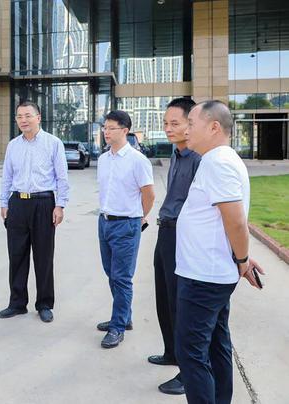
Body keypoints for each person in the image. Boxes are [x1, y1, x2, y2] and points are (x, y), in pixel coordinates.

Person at [175, 100, 264, 404]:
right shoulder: (218, 160)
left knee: (190, 353)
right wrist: (241, 256)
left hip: (204, 277)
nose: (186, 130)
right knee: (215, 345)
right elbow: (227, 221)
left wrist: (241, 259)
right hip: (209, 272)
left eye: (191, 124)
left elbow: (236, 220)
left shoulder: (218, 162)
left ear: (213, 127)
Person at [0, 101, 70, 323]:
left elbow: (62, 177)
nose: (23, 120)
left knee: (43, 255)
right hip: (18, 202)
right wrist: (4, 203)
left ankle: (45, 304)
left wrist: (60, 205)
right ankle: (17, 303)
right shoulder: (13, 145)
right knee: (16, 255)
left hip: (44, 203)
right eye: (19, 116)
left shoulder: (53, 143)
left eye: (28, 115)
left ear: (38, 117)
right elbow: (7, 176)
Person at [147, 98, 199, 395]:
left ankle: (186, 371)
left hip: (183, 235)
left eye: (174, 123)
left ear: (192, 123)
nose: (168, 129)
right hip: (165, 231)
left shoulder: (198, 158)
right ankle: (171, 352)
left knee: (182, 302)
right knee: (164, 296)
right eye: (165, 123)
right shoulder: (176, 154)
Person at [96, 110, 155, 349]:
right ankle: (124, 316)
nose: (106, 132)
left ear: (125, 130)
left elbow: (149, 194)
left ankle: (118, 327)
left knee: (122, 278)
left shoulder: (138, 160)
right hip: (105, 221)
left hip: (126, 224)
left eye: (111, 128)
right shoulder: (103, 159)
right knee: (111, 273)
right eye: (104, 128)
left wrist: (139, 219)